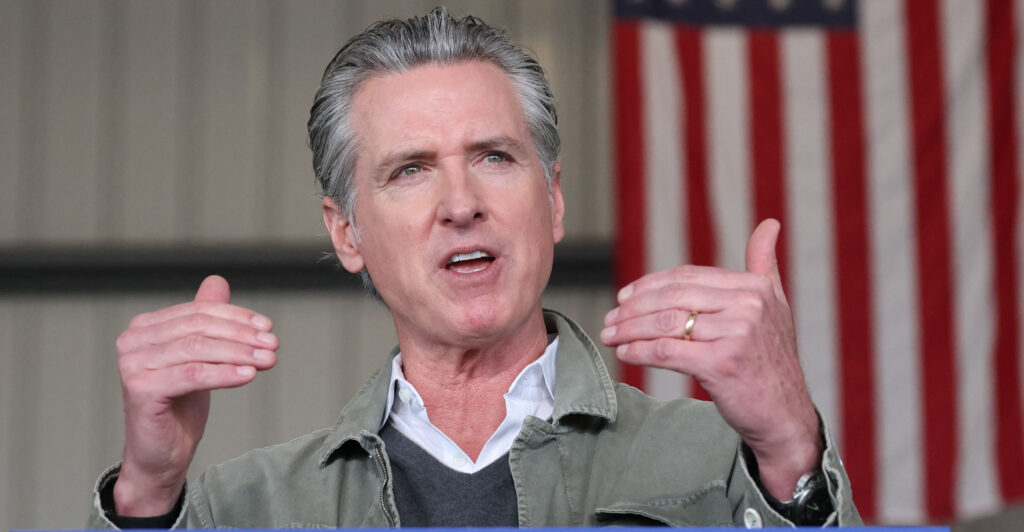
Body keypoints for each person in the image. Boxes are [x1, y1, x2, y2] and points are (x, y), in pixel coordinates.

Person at [89, 7, 861, 528]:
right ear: (347, 232)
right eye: (411, 169)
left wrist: (793, 447)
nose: (461, 203)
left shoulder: (727, 463)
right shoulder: (241, 507)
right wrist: (147, 494)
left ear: (552, 201)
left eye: (494, 156)